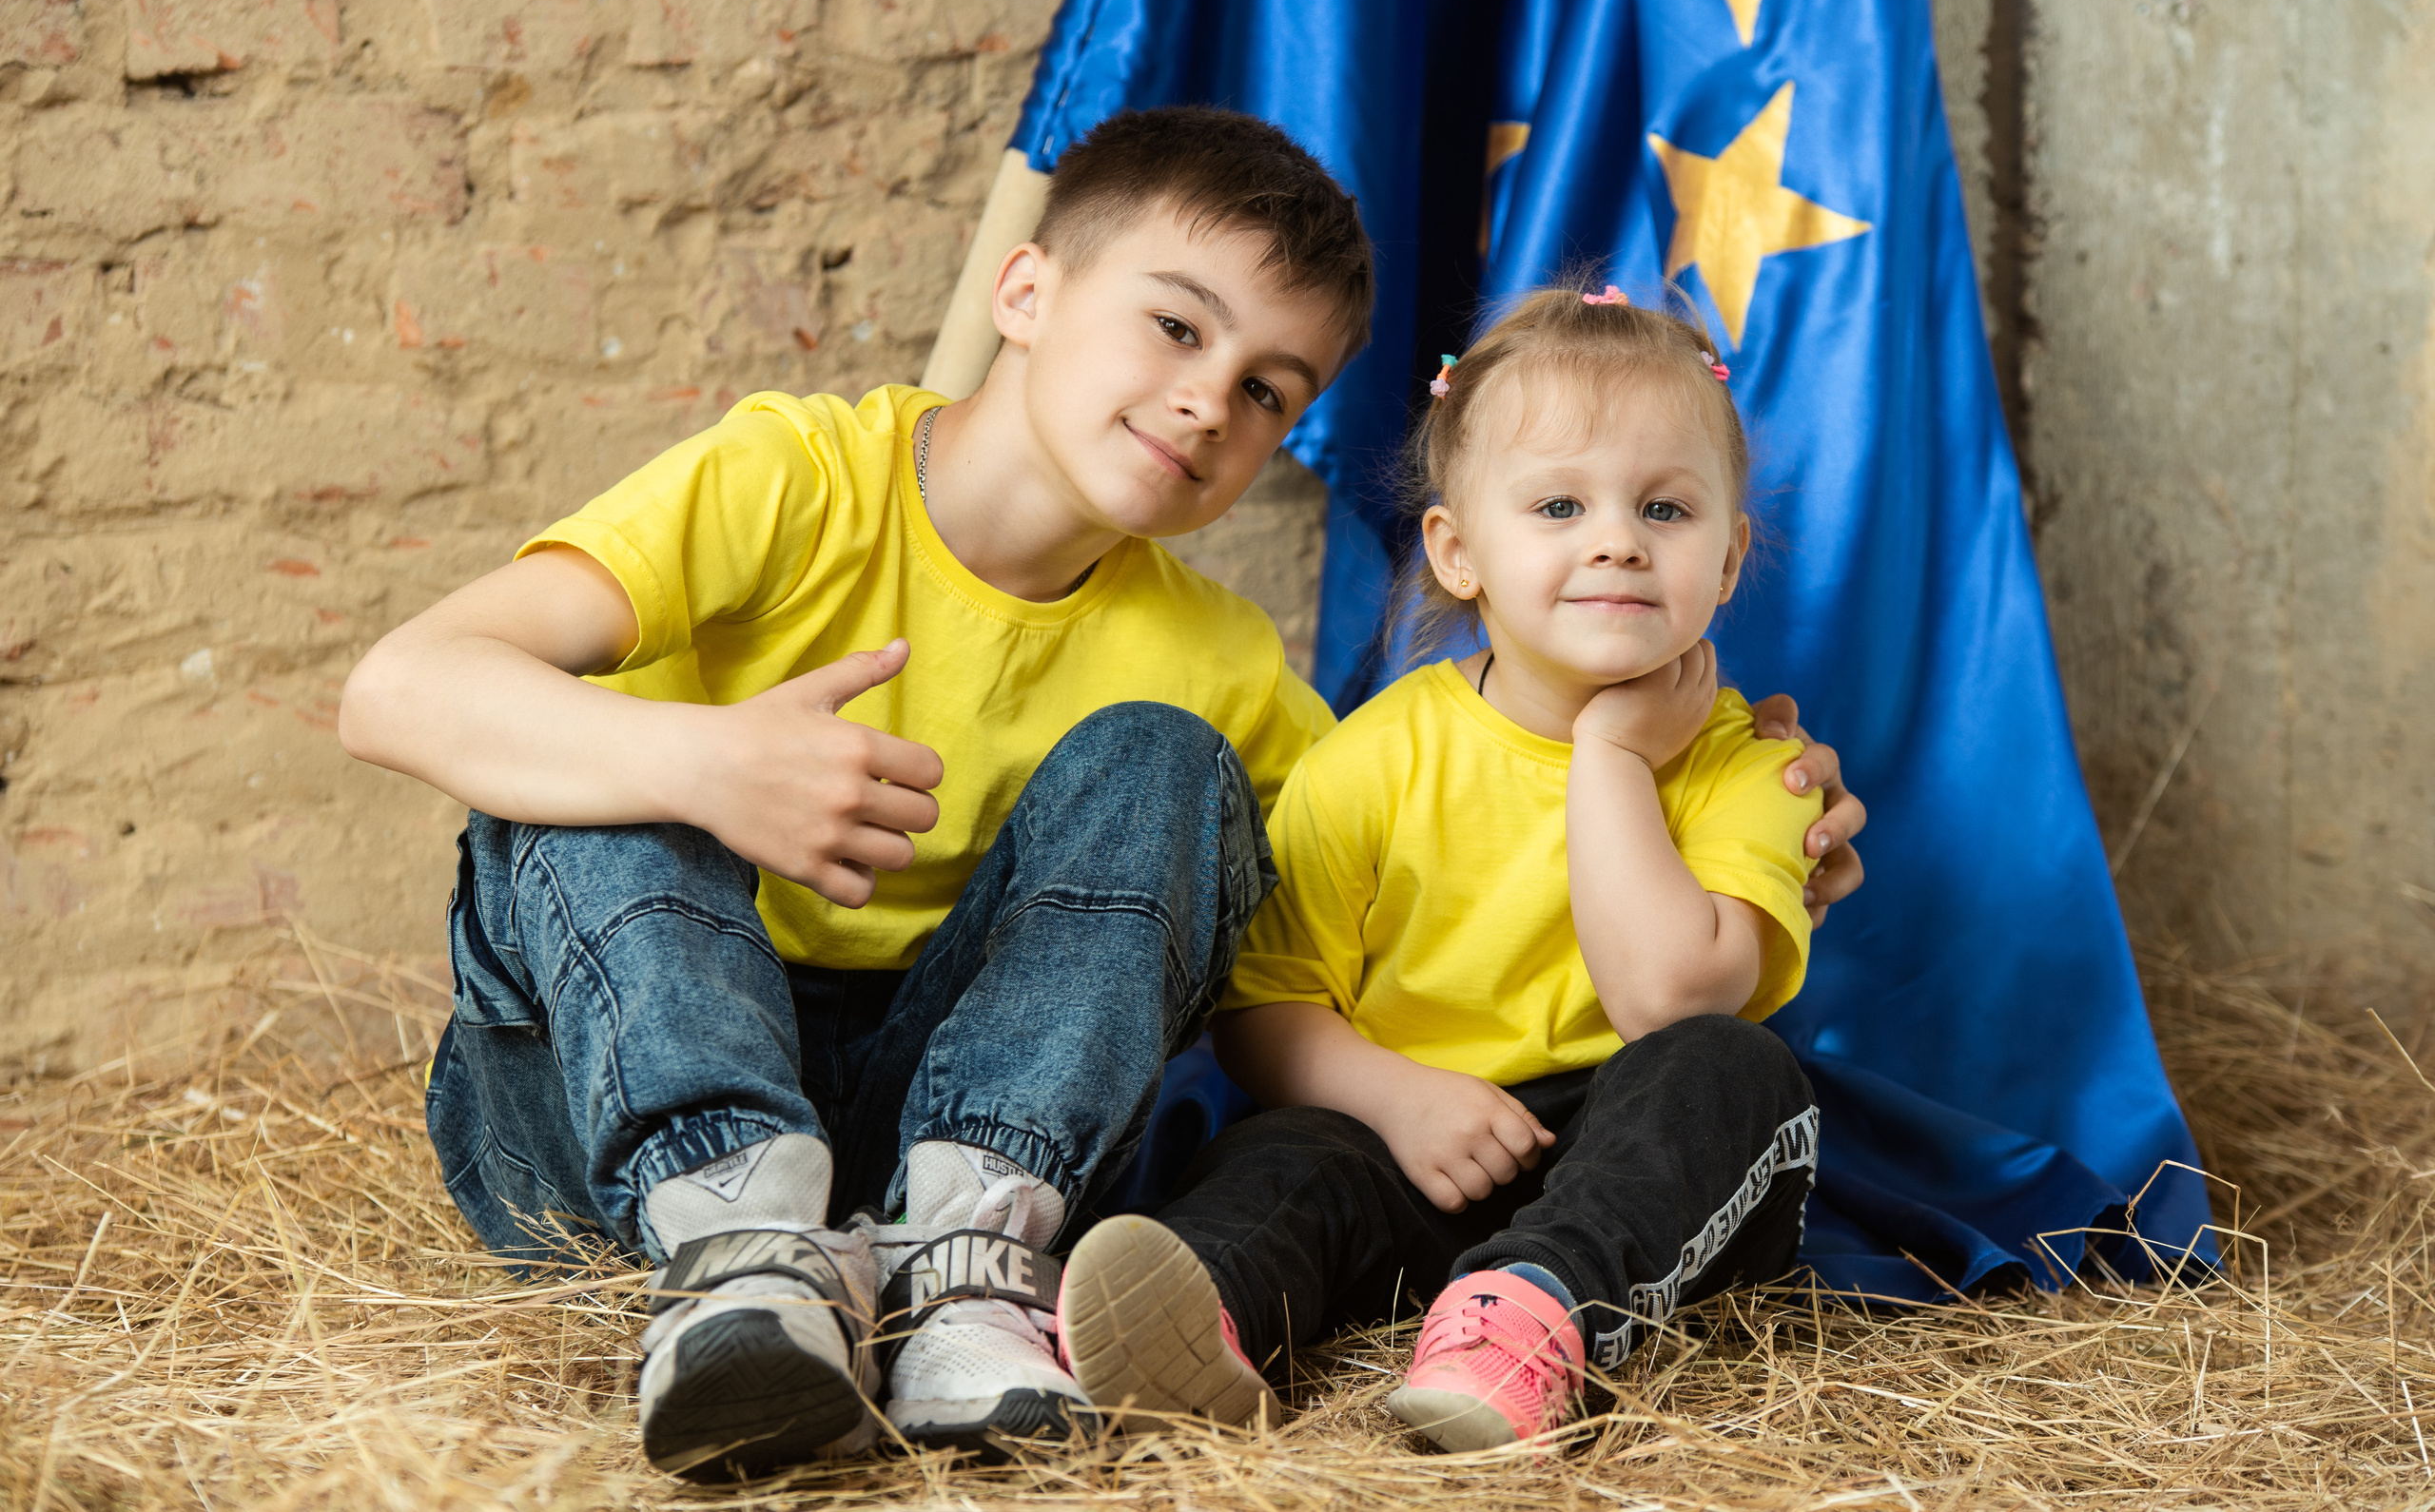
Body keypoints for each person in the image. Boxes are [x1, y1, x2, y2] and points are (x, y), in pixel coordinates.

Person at [341, 99, 1866, 1475]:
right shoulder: (791, 480)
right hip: (612, 1117)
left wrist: (1739, 809)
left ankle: (966, 1274)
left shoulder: (1210, 658)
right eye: (1176, 328)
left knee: (1166, 765)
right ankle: (740, 1256)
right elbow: (397, 688)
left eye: (1272, 389)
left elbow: (1434, 810)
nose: (1213, 402)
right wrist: (710, 759)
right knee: (581, 752)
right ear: (1026, 289)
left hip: (925, 1152)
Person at [1057, 282, 1828, 1453]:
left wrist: (1614, 754)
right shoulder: (1371, 757)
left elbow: (1667, 1000)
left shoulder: (1751, 767)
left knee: (1735, 1070)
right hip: (1405, 1134)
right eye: (1560, 503)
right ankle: (1204, 1316)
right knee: (1279, 1156)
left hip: (1635, 1178)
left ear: (1727, 560)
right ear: (1458, 551)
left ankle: (1524, 1320)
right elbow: (1266, 1008)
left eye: (1664, 509)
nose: (1616, 538)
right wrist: (1394, 1096)